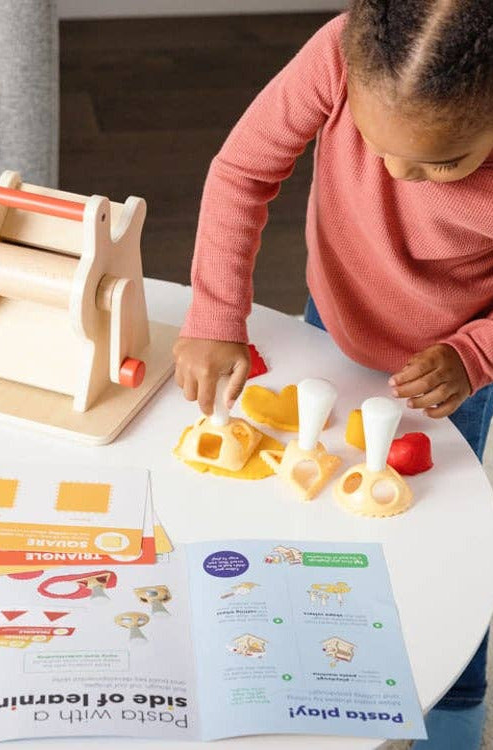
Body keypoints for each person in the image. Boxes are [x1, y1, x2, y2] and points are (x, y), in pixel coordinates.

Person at [173, 2, 493, 747]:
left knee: (446, 550)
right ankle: (308, 674)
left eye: (440, 162)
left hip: (450, 374)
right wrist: (218, 315)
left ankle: (451, 717)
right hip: (335, 322)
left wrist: (474, 354)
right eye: (376, 147)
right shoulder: (341, 52)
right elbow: (243, 170)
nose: (399, 176)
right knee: (312, 509)